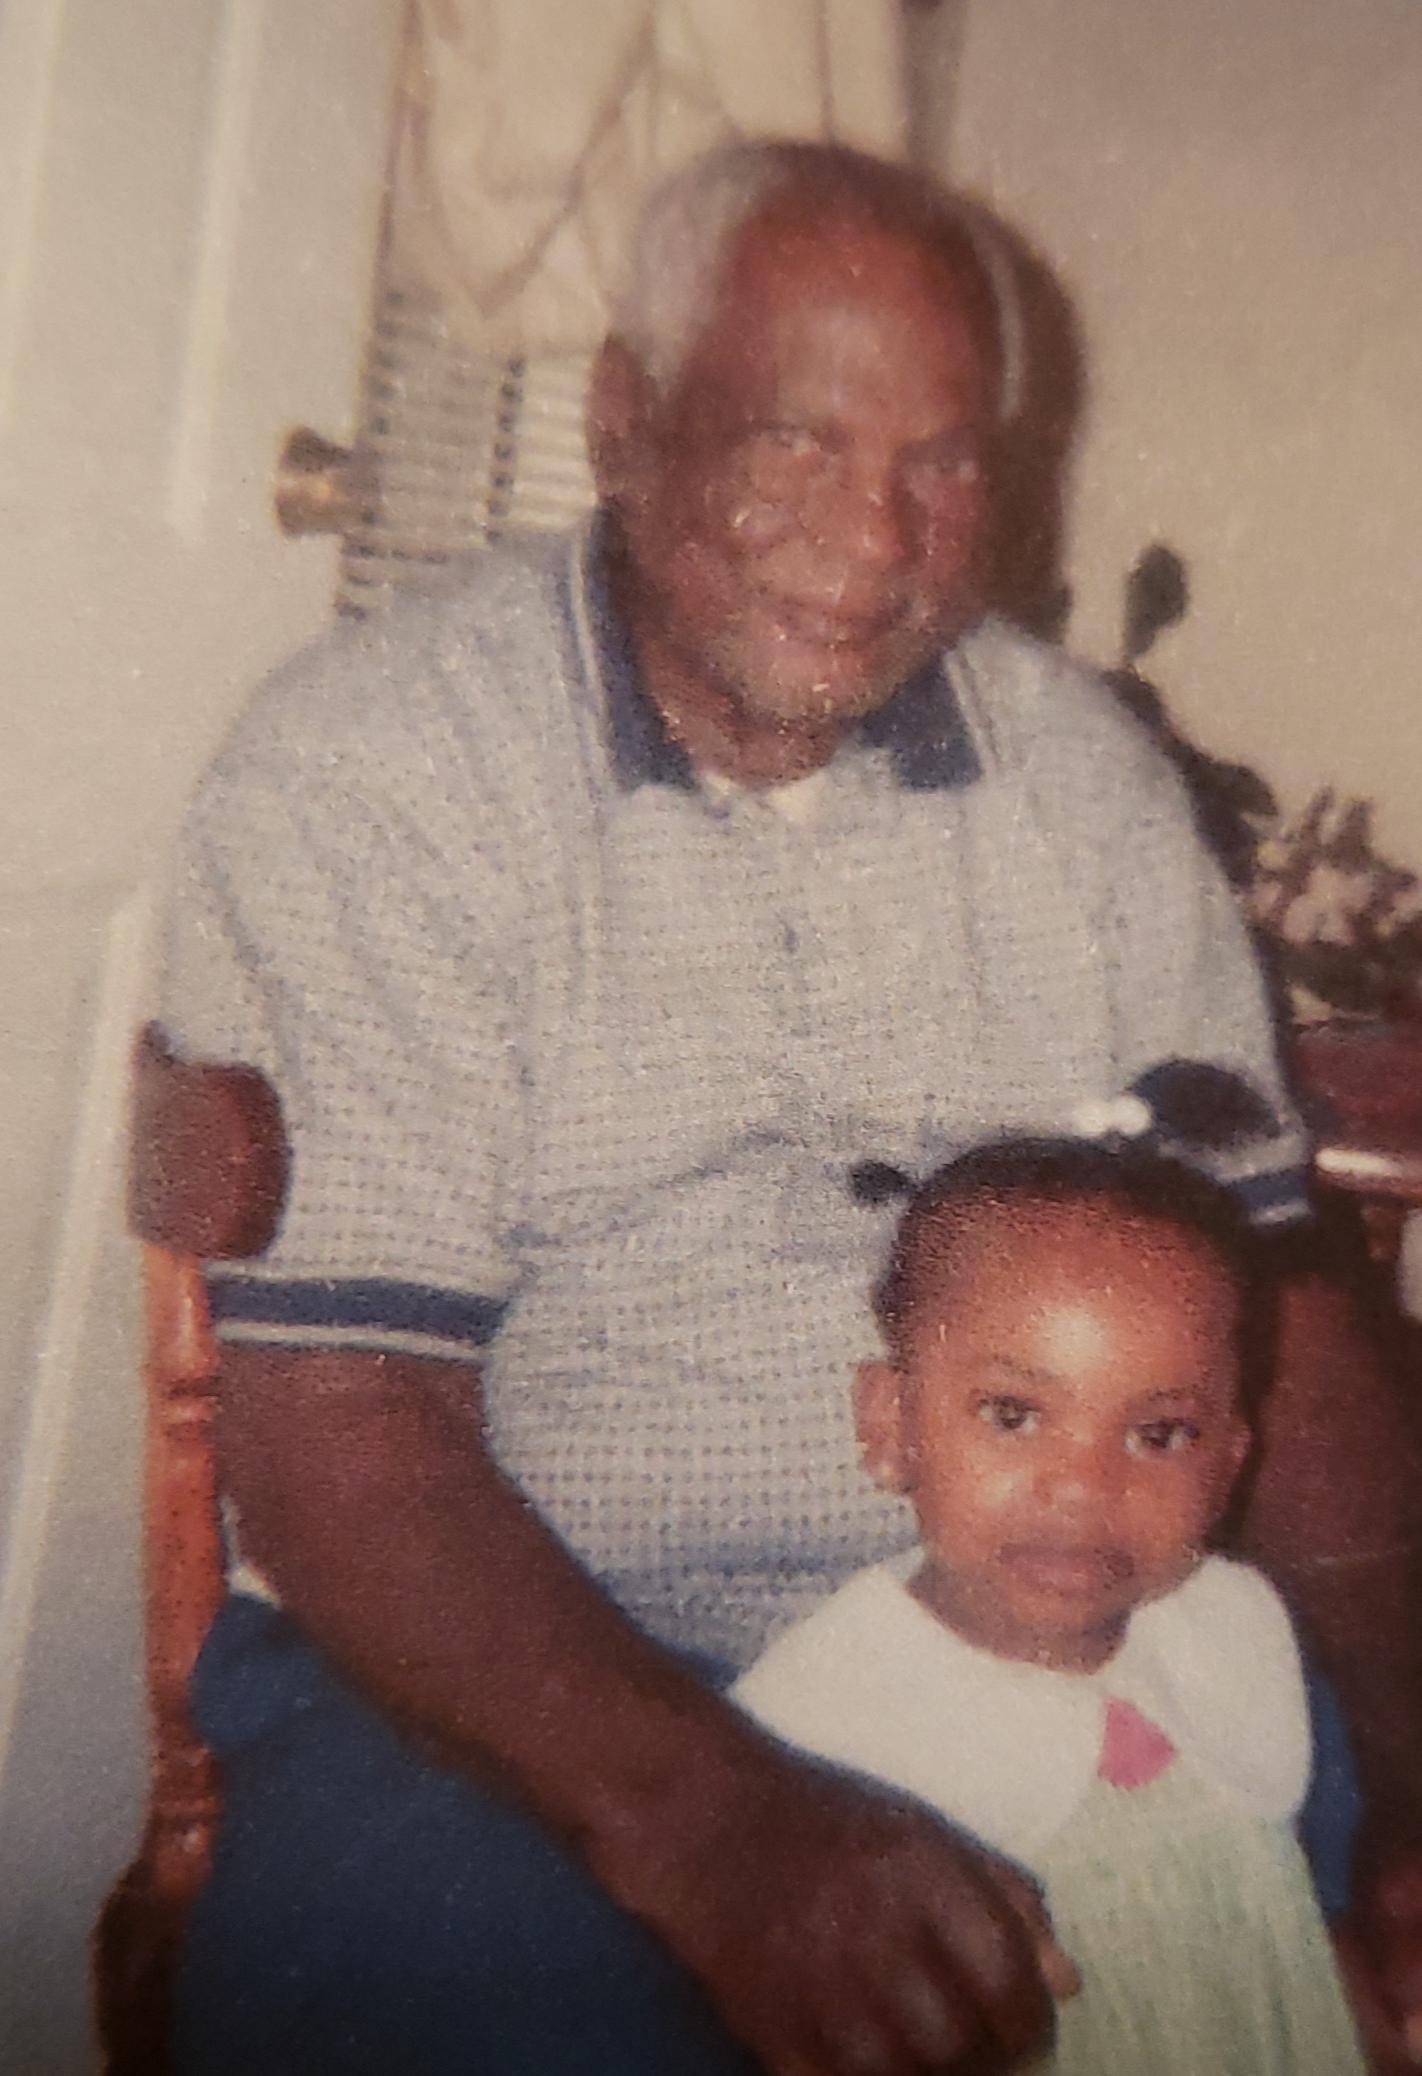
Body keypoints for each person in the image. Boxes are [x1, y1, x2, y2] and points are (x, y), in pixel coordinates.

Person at [158, 140, 1422, 2074]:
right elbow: (339, 1416)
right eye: (794, 442)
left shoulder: (1081, 788)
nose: (871, 536)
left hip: (1049, 1626)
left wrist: (1411, 1785)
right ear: (623, 422)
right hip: (506, 1679)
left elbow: (1287, 1313)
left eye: (940, 461)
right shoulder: (377, 769)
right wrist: (720, 1829)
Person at [734, 1130, 1367, 2076]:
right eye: (1014, 1414)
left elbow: (1288, 1933)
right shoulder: (820, 1712)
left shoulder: (1230, 1630)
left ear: (1228, 1464)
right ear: (889, 1424)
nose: (1082, 1488)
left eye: (1159, 1434)